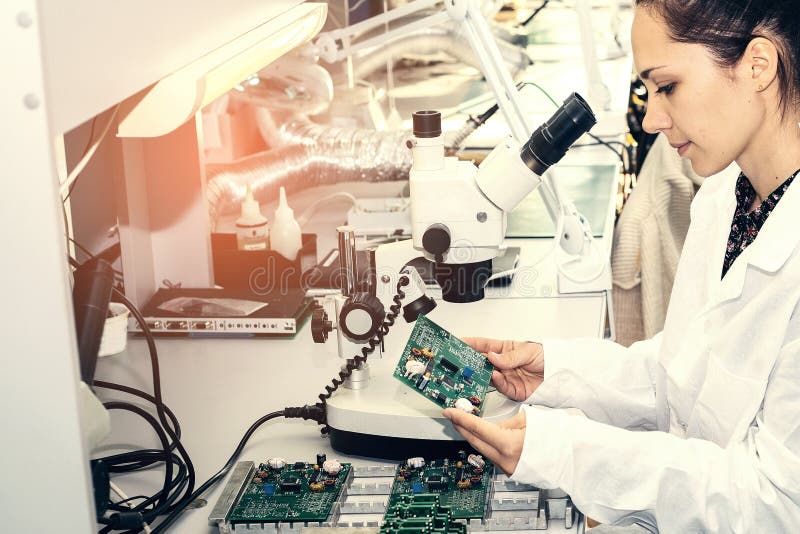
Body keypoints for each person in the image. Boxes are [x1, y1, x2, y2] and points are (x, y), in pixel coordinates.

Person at [443, 1, 800, 532]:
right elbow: (683, 377)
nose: (653, 120)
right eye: (647, 91)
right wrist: (556, 372)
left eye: (668, 86)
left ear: (757, 65)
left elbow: (777, 503)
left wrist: (572, 452)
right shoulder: (730, 192)